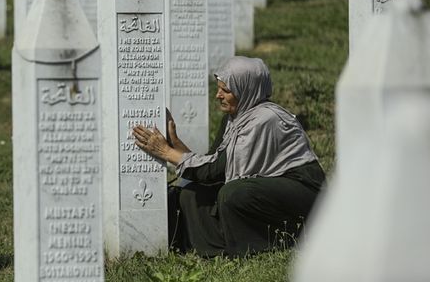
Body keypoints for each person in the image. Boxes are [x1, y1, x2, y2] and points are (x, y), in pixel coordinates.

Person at [132, 56, 325, 257]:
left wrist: (166, 152)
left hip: (302, 191)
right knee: (191, 192)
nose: (218, 95)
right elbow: (212, 163)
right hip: (268, 186)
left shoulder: (265, 120)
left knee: (233, 193)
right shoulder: (236, 118)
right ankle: (213, 249)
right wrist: (175, 143)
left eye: (226, 90)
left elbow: (215, 170)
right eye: (219, 88)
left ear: (245, 89)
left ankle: (277, 241)